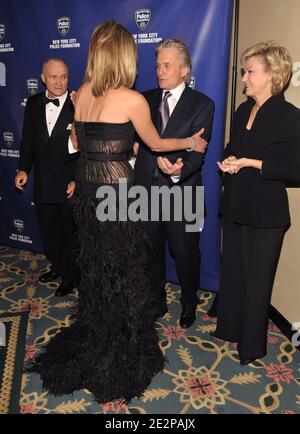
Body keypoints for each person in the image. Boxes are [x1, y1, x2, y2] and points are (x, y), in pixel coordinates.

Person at [27, 20, 207, 404]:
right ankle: (117, 349)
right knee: (121, 275)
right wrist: (189, 140)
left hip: (87, 198)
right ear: (123, 54)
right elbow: (156, 142)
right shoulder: (131, 99)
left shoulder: (84, 93)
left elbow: (78, 140)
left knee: (97, 273)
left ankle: (97, 336)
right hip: (118, 199)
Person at [214, 41, 300, 365]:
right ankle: (229, 329)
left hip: (266, 214)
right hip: (235, 204)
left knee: (257, 282)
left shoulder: (290, 117)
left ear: (272, 75)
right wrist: (228, 161)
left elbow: (296, 169)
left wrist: (254, 163)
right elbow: (231, 147)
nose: (244, 78)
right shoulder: (241, 110)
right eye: (243, 71)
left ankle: (251, 347)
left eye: (250, 72)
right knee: (233, 273)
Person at [134, 39, 214, 328]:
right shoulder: (143, 99)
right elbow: (137, 143)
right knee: (150, 252)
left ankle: (190, 303)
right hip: (146, 192)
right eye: (157, 65)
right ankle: (156, 301)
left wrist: (179, 170)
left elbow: (198, 149)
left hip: (184, 192)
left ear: (184, 70)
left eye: (166, 65)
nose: (159, 71)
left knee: (186, 254)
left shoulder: (203, 104)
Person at [15, 58, 78, 296]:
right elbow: (28, 141)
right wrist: (23, 169)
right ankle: (59, 266)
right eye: (54, 76)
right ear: (43, 78)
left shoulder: (78, 103)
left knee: (69, 233)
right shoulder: (32, 103)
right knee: (49, 232)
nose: (59, 81)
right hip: (43, 181)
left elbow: (87, 147)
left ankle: (70, 277)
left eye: (64, 76)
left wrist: (77, 180)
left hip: (68, 181)